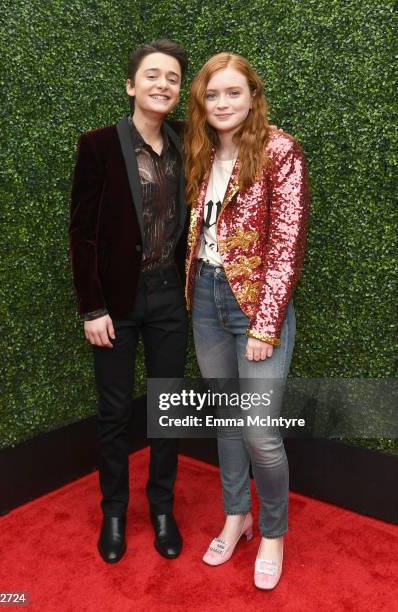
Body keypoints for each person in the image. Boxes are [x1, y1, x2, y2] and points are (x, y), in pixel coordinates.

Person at [184, 52, 310, 589]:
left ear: (253, 96)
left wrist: (265, 323)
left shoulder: (280, 149)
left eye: (233, 92)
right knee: (227, 421)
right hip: (206, 299)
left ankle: (274, 533)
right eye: (212, 95)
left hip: (255, 307)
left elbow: (286, 245)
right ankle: (238, 516)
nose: (222, 103)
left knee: (260, 431)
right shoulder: (201, 149)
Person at [69, 39, 189, 564]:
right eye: (153, 76)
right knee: (115, 412)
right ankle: (114, 512)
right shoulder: (97, 145)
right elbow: (82, 234)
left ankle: (161, 507)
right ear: (131, 84)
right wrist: (92, 309)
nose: (163, 85)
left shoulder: (189, 142)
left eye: (173, 79)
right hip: (115, 305)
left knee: (167, 410)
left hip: (170, 299)